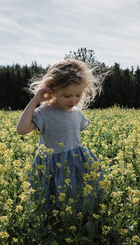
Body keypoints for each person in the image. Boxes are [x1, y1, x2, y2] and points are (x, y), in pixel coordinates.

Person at [17, 59, 104, 213]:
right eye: (67, 96)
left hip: (76, 159)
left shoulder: (77, 113)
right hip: (52, 163)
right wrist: (35, 100)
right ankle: (54, 222)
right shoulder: (44, 112)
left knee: (77, 195)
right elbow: (22, 129)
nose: (74, 100)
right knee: (50, 198)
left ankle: (76, 219)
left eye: (78, 95)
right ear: (52, 90)